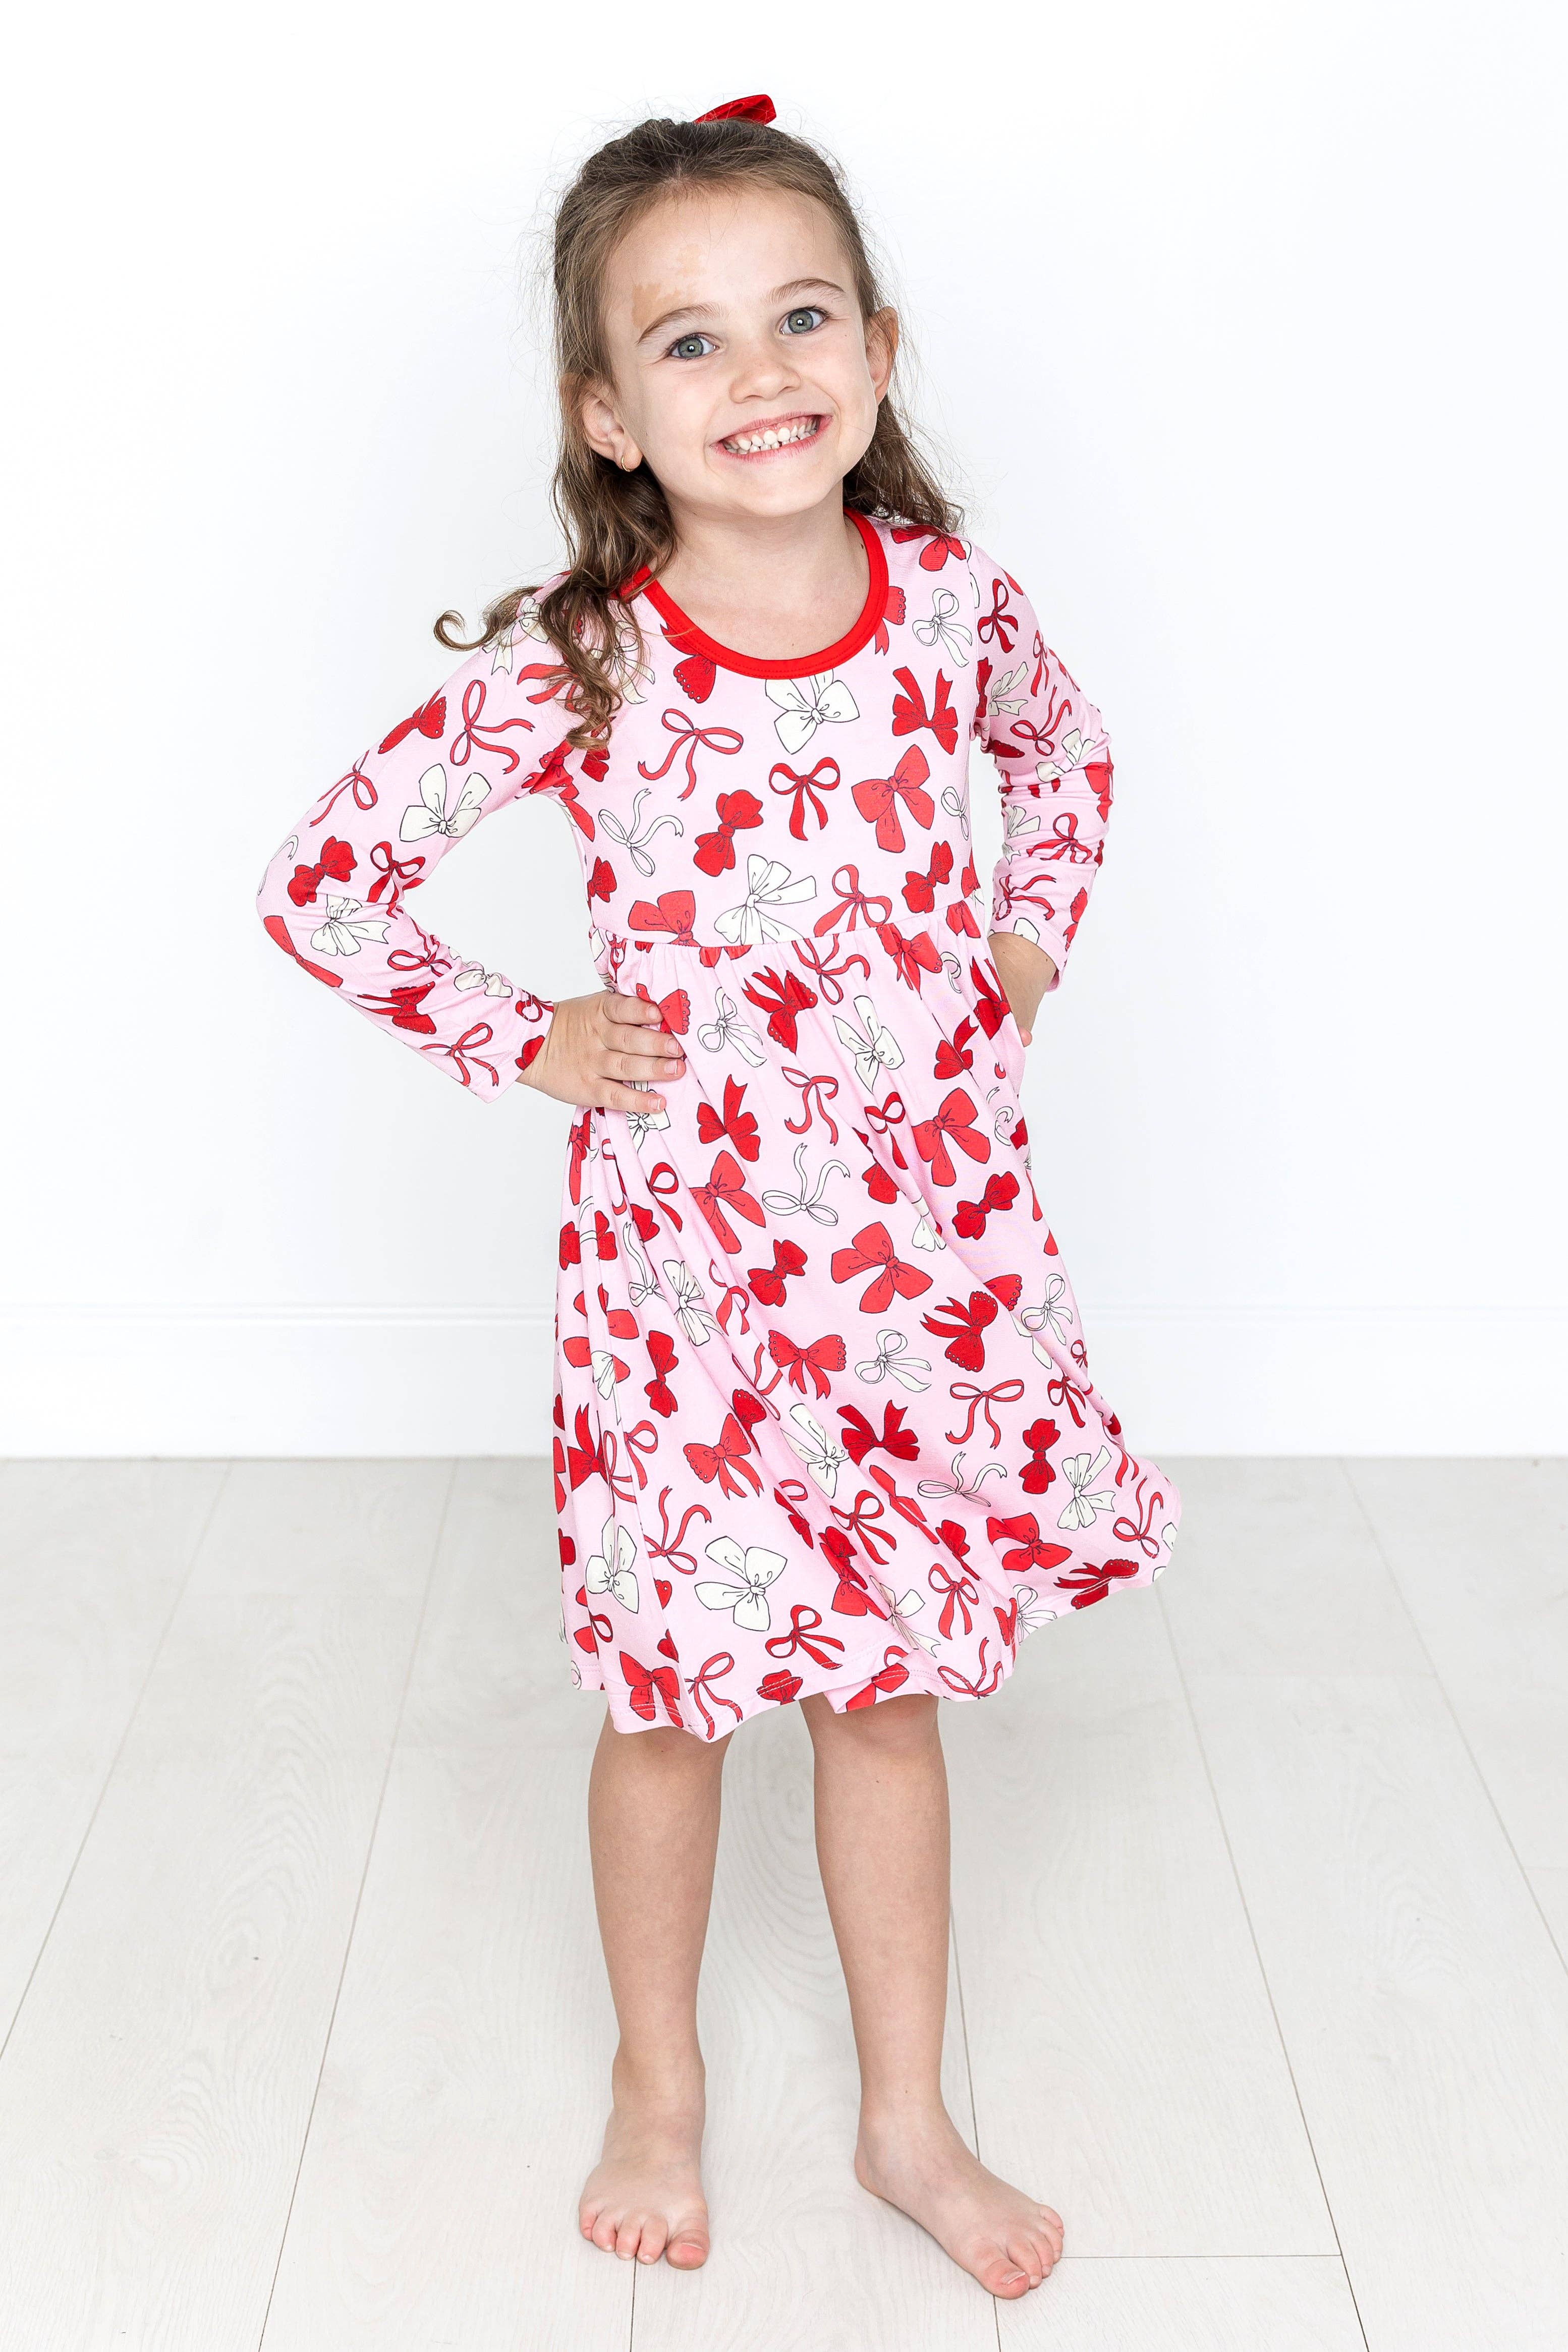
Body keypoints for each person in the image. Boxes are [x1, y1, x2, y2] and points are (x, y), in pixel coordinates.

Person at [255, 92, 1182, 2300]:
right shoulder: (594, 653)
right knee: (670, 1703)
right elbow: (325, 882)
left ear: (877, 346)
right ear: (607, 412)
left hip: (921, 1271)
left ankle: (903, 2112)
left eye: (801, 317)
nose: (759, 373)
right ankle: (654, 2083)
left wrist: (1024, 937)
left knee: (886, 1692)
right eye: (688, 342)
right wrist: (526, 1032)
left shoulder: (950, 604)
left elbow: (1063, 753)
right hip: (686, 1284)